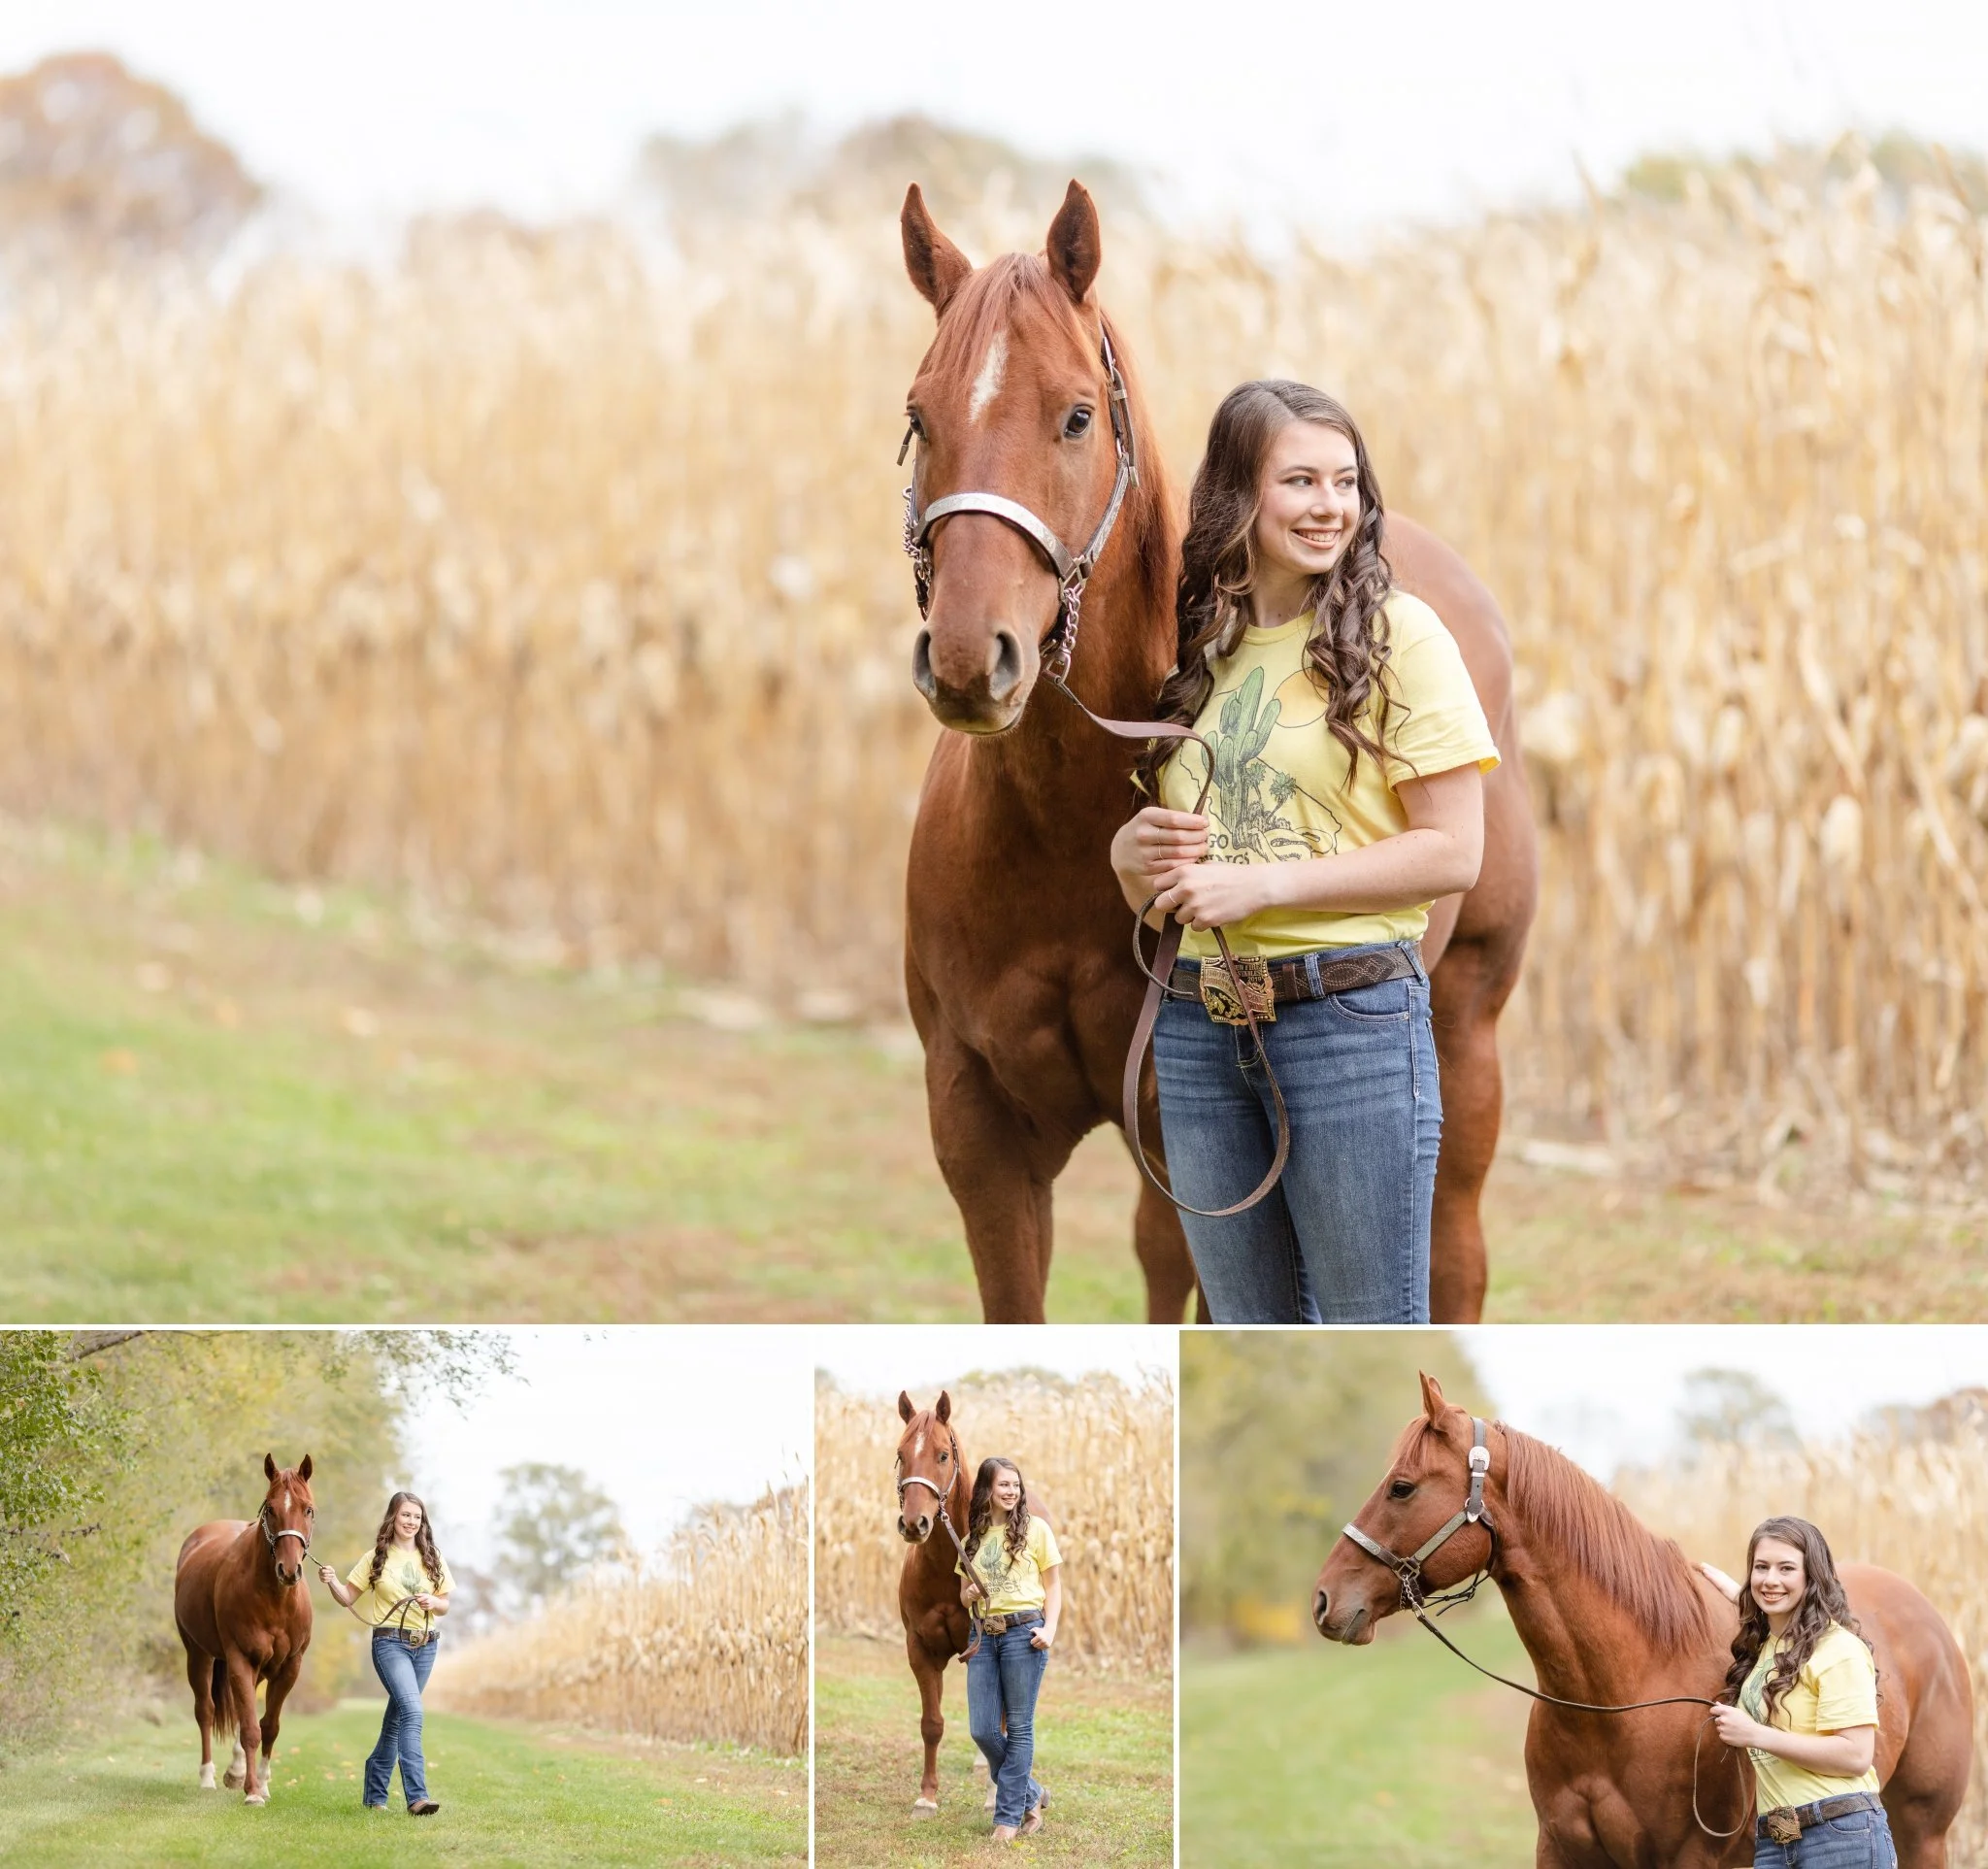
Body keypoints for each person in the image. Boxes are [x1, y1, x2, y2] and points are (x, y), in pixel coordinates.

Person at [1111, 379, 1498, 1323]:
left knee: (1364, 1328)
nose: (1329, 506)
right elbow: (1172, 873)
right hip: (1201, 1032)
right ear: (1237, 493)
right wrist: (1132, 859)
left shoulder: (1398, 635)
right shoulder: (1197, 645)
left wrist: (1264, 885)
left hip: (1349, 1023)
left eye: (1344, 481)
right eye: (1299, 481)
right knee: (1246, 1337)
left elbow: (1453, 850)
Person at [1700, 1517, 1897, 1867]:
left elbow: (1855, 1755)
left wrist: (1754, 1734)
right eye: (1761, 1567)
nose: (1770, 1579)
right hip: (1776, 1842)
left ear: (1811, 1577)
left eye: (1786, 1568)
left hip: (1840, 1839)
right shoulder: (1769, 1646)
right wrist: (1740, 1596)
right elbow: (1764, 1610)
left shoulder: (1838, 1650)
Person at [318, 1489, 454, 1817]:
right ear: (393, 1517)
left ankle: (374, 1794)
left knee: (397, 1721)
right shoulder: (375, 1557)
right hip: (390, 1643)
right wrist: (332, 1581)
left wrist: (433, 1602)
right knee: (414, 1712)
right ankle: (417, 1798)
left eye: (417, 1517)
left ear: (422, 1522)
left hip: (426, 1646)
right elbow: (348, 1597)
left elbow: (445, 1604)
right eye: (405, 1515)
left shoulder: (433, 1556)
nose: (411, 1521)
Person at [957, 1457, 1062, 1843]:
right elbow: (963, 1593)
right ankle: (1032, 1793)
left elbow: (1053, 1587)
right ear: (987, 1489)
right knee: (982, 1729)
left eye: (1015, 1484)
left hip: (1024, 1634)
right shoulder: (973, 1537)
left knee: (1018, 1727)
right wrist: (967, 1594)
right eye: (1003, 1484)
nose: (1012, 1491)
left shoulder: (1037, 1530)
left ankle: (1007, 1818)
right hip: (983, 1636)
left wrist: (1049, 1628)